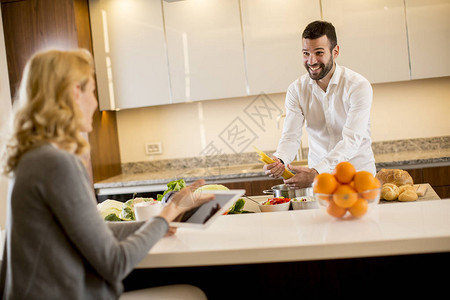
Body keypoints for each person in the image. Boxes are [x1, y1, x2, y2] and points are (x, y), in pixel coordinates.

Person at [0, 49, 212, 299]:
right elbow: (114, 262)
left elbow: (95, 233)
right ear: (74, 93)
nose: (95, 102)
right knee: (191, 294)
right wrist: (165, 216)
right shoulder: (57, 163)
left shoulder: (34, 156)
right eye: (92, 91)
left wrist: (155, 226)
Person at [264, 20, 376, 188]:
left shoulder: (358, 86)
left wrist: (317, 172)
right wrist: (280, 159)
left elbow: (351, 140)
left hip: (358, 178)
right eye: (305, 53)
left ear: (335, 51)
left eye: (319, 53)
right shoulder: (296, 90)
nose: (311, 61)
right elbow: (291, 136)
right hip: (320, 182)